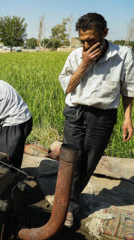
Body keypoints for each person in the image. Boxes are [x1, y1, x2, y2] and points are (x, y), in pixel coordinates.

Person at [58, 13, 134, 227]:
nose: (86, 44)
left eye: (91, 39)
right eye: (82, 40)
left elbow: (128, 88)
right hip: (75, 112)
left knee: (89, 161)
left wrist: (127, 118)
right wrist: (85, 63)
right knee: (72, 158)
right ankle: (68, 207)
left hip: (103, 115)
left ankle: (71, 197)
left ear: (105, 33)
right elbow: (68, 87)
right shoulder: (75, 56)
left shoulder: (123, 54)